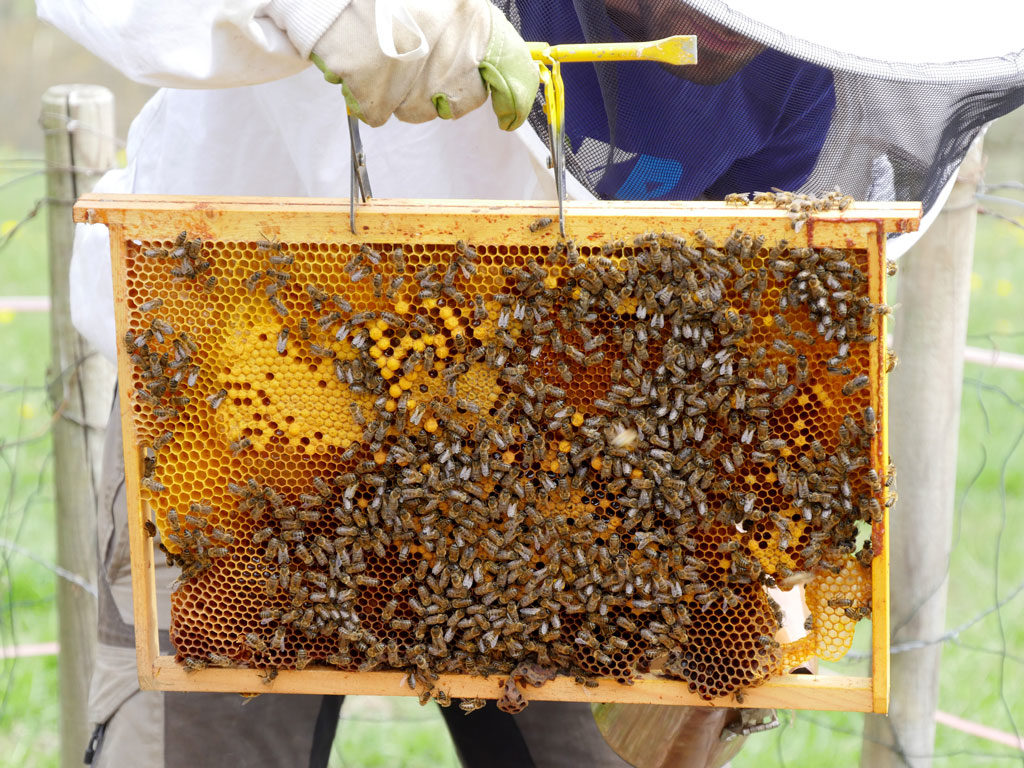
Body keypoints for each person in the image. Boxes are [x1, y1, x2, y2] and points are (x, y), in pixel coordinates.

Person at [35, 1, 1024, 767]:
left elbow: (724, 331)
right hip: (261, 414)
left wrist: (737, 554)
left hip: (549, 469)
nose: (727, 31)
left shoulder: (802, 77)